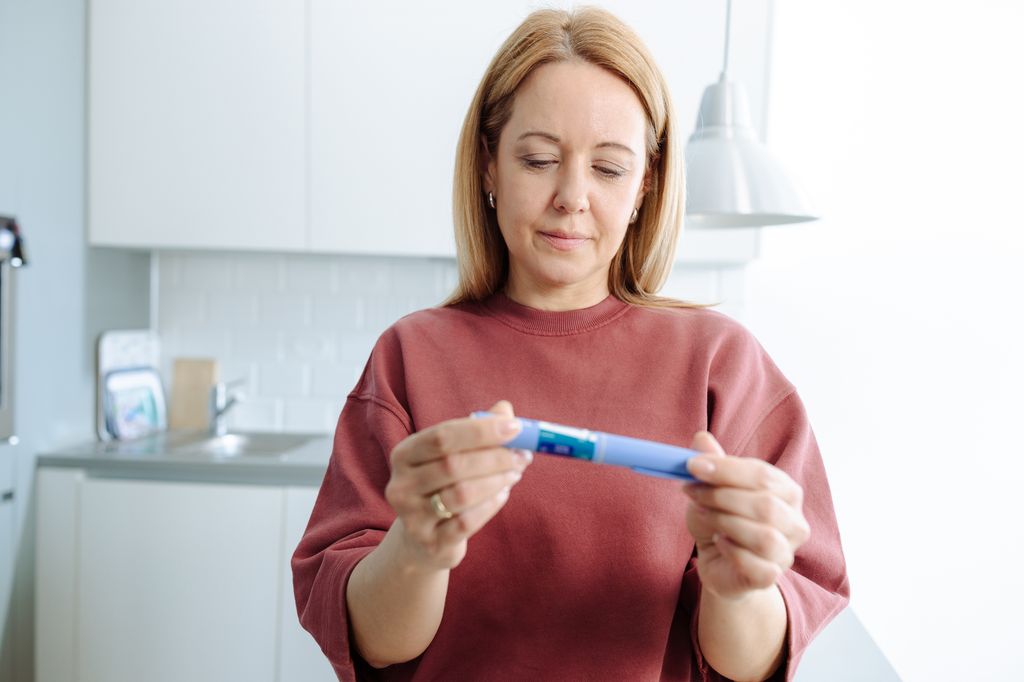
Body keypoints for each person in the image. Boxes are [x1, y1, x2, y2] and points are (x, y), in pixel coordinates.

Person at [292, 7, 849, 681]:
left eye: (610, 169)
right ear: (489, 166)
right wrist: (416, 549)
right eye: (539, 159)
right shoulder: (409, 356)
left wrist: (742, 586)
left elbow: (756, 660)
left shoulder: (724, 365)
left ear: (645, 186)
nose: (571, 196)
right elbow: (370, 641)